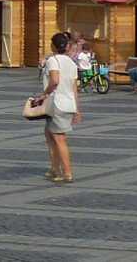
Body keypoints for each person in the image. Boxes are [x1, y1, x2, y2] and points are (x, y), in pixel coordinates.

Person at [41, 32, 82, 184]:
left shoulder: (53, 60)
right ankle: (54, 168)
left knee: (59, 139)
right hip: (68, 103)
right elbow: (74, 88)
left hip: (57, 103)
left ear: (53, 45)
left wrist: (43, 94)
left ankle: (66, 172)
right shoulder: (71, 63)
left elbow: (54, 81)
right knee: (50, 136)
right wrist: (77, 109)